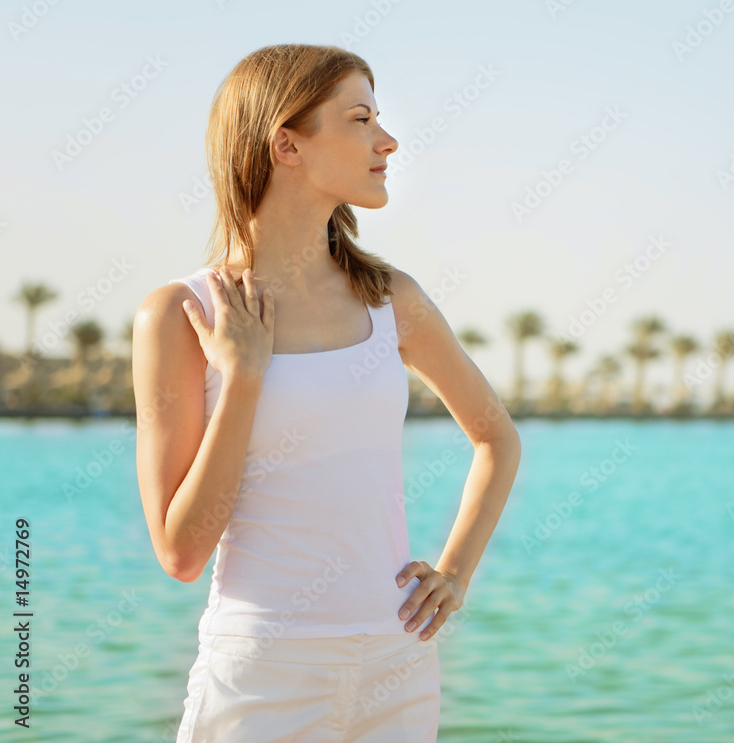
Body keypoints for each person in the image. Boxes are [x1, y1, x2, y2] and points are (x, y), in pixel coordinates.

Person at [131, 43, 521, 742]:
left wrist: (455, 574)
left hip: (398, 663)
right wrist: (244, 377)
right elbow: (182, 553)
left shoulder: (390, 297)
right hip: (263, 673)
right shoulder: (179, 315)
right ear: (287, 145)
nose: (388, 140)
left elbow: (497, 437)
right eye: (361, 118)